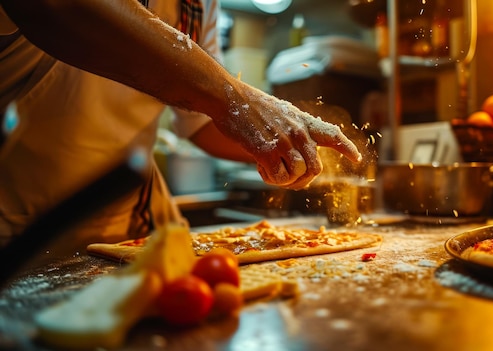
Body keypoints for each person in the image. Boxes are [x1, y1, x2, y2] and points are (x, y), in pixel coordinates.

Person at [0, 0, 362, 248]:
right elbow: (56, 6)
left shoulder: (201, 3)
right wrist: (236, 98)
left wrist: (286, 143)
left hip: (135, 225)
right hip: (17, 230)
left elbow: (200, 122)